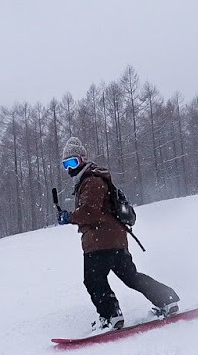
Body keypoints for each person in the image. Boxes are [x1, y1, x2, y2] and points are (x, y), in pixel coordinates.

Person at [57, 137, 180, 331]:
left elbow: (90, 212)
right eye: (66, 164)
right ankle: (166, 299)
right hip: (115, 240)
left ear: (82, 160)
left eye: (73, 162)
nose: (69, 168)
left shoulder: (91, 181)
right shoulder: (93, 179)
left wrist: (69, 217)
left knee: (94, 281)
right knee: (131, 277)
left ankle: (111, 316)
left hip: (99, 242)